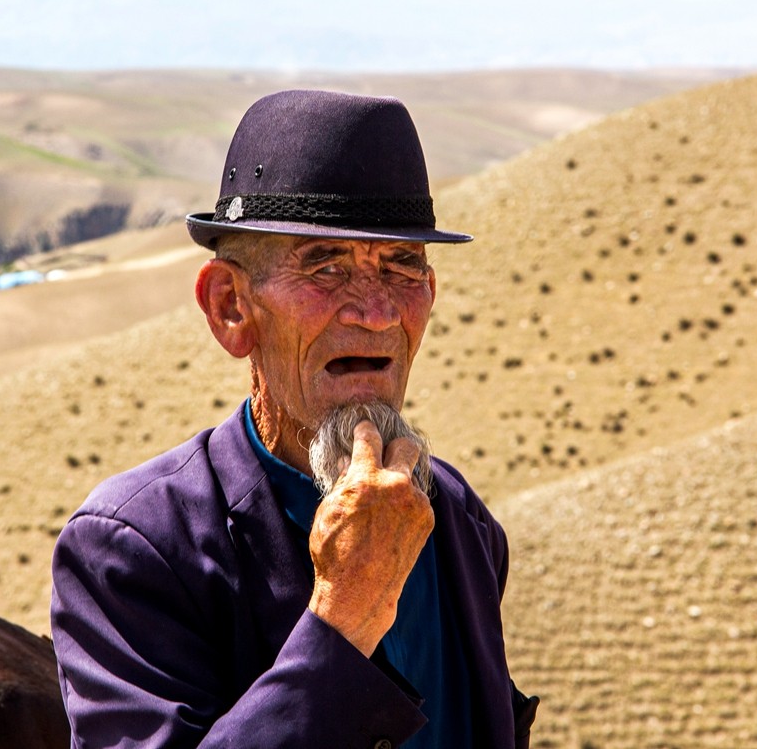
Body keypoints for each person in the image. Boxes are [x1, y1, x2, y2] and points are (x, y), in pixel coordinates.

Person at [51, 89, 538, 748]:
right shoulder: (135, 548)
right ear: (229, 305)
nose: (376, 311)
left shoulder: (458, 519)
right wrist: (344, 617)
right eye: (326, 265)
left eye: (402, 266)